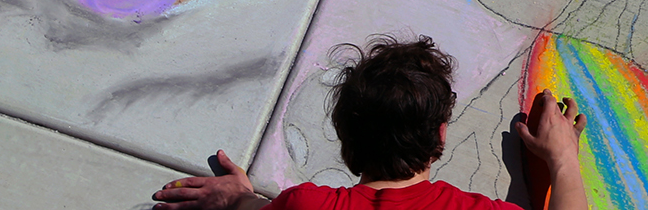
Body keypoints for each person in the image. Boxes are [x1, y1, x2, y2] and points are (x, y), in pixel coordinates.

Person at [152, 36, 589, 210]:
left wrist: (235, 199)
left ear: (345, 136)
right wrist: (564, 157)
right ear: (440, 132)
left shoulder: (304, 205)